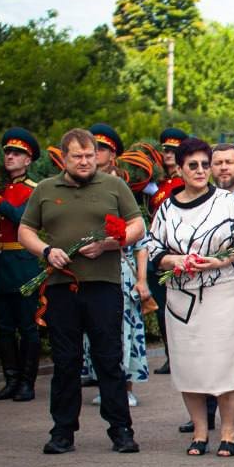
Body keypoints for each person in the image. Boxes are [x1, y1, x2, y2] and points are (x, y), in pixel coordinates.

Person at [18, 128, 146, 454]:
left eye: (90, 155)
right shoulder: (46, 189)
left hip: (103, 286)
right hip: (62, 287)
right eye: (78, 156)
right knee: (66, 361)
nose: (86, 161)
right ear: (64, 158)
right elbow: (25, 231)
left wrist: (109, 243)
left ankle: (121, 430)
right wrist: (47, 251)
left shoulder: (114, 185)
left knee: (108, 358)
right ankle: (62, 432)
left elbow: (137, 225)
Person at [145, 138, 234, 457]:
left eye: (206, 164)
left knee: (224, 363)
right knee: (188, 364)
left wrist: (219, 260)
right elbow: (152, 246)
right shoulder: (167, 206)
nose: (201, 170)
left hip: (224, 292)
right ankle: (200, 431)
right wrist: (171, 260)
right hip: (181, 295)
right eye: (193, 165)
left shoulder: (227, 202)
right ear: (179, 169)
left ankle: (229, 432)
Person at [180, 143, 234, 435]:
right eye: (215, 162)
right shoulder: (194, 200)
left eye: (228, 162)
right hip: (204, 283)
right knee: (205, 348)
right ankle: (203, 414)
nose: (222, 168)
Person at [85, 123, 149, 407]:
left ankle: (126, 386)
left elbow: (140, 238)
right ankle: (105, 383)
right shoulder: (80, 185)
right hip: (89, 266)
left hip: (121, 269)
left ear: (113, 155)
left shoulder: (121, 186)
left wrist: (142, 279)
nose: (95, 153)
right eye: (92, 148)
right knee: (95, 328)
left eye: (101, 148)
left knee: (125, 327)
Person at [0, 128, 43, 403]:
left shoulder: (35, 190)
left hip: (22, 264)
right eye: (7, 152)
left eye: (17, 153)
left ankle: (27, 383)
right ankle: (11, 379)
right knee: (4, 327)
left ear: (28, 160)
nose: (10, 157)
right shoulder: (2, 188)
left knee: (27, 326)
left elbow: (21, 217)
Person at [147, 126, 189, 375]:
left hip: (177, 252)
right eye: (166, 150)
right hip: (157, 251)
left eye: (175, 150)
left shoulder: (183, 183)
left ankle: (181, 355)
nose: (169, 155)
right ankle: (170, 355)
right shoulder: (157, 183)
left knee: (179, 306)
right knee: (163, 307)